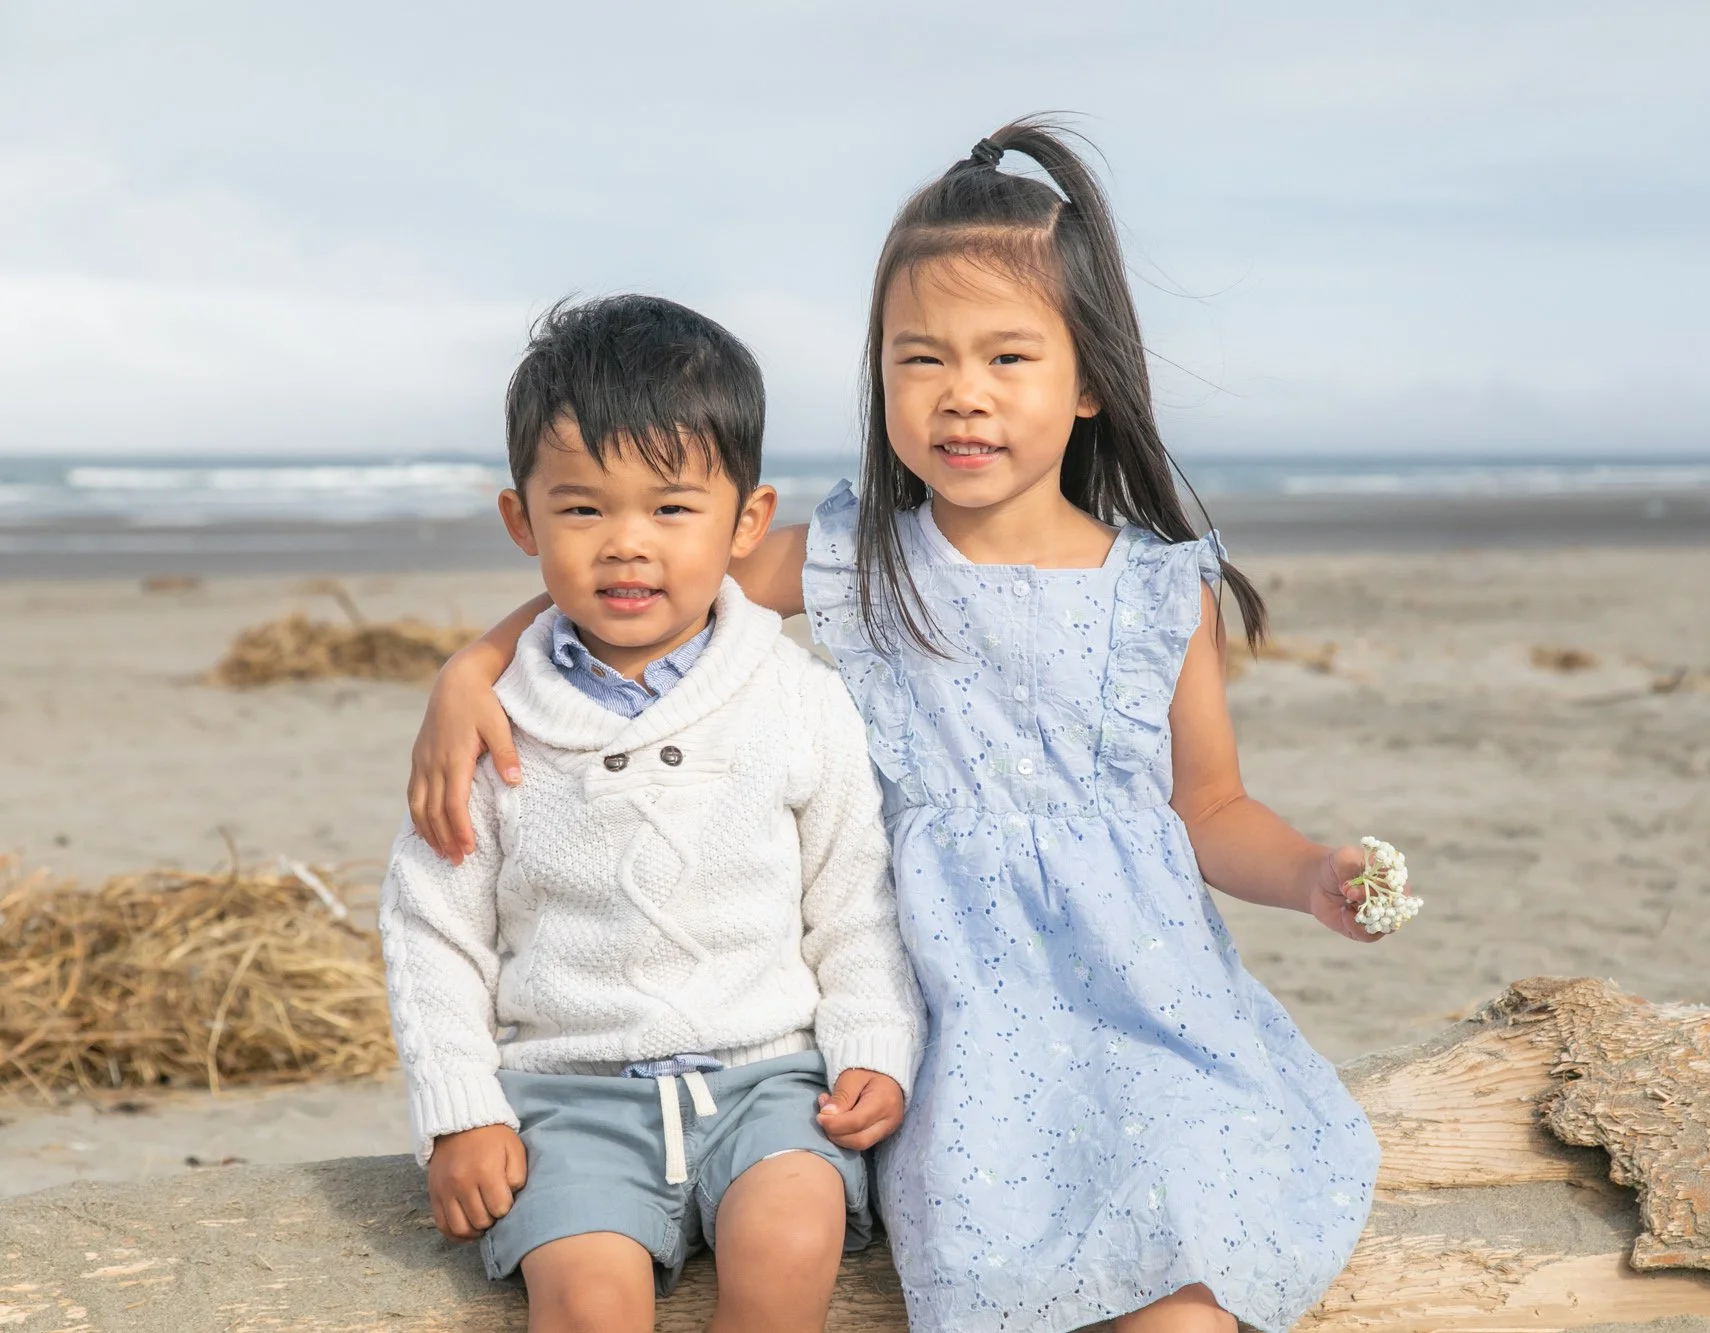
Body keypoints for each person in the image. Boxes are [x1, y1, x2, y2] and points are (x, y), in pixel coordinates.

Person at [407, 120, 1389, 1333]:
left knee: (1183, 1284)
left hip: (1146, 991)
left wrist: (1308, 874)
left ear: (1087, 382)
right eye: (918, 359)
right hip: (941, 1005)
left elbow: (1210, 811)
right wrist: (475, 664)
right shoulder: (853, 556)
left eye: (1007, 358)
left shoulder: (1153, 591)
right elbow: (648, 579)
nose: (959, 395)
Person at [379, 294, 925, 1333]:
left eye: (672, 509)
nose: (627, 545)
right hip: (570, 1100)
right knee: (588, 1301)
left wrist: (868, 1047)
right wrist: (461, 1111)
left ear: (745, 522)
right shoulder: (494, 725)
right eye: (583, 509)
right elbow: (431, 928)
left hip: (770, 1082)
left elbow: (852, 895)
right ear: (521, 519)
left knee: (793, 1237)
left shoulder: (795, 696)